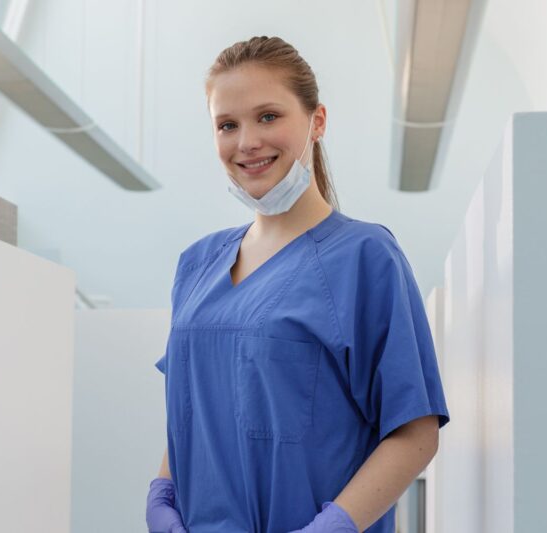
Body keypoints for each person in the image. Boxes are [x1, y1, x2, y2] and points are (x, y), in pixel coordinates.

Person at [145, 36, 450, 533]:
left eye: (268, 116)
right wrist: (162, 493)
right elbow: (198, 410)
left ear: (317, 121)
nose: (247, 141)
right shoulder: (197, 264)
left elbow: (415, 433)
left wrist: (332, 527)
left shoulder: (365, 257)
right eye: (228, 124)